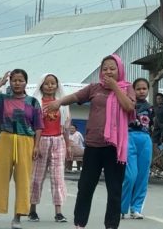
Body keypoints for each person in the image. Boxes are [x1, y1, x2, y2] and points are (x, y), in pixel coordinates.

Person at [44, 54, 135, 229]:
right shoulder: (94, 88)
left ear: (120, 70)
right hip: (93, 145)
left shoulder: (127, 88)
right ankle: (80, 224)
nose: (108, 71)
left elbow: (129, 107)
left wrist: (115, 86)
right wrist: (59, 102)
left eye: (112, 68)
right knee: (85, 187)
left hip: (115, 148)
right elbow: (76, 97)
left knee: (114, 190)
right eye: (105, 68)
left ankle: (111, 226)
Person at [0, 69, 44, 229]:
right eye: (14, 80)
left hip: (26, 141)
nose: (17, 83)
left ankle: (18, 217)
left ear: (26, 82)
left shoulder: (33, 102)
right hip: (6, 139)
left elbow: (38, 126)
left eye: (20, 80)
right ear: (10, 82)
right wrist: (1, 82)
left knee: (23, 180)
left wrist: (37, 145)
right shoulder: (2, 99)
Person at [28, 73, 71, 223]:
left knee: (57, 177)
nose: (50, 86)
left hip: (58, 141)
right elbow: (32, 125)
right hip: (41, 141)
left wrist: (69, 145)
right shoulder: (36, 103)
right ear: (41, 85)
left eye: (53, 83)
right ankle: (32, 210)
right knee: (36, 178)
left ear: (57, 85)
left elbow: (65, 126)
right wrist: (35, 145)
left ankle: (58, 212)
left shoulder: (62, 103)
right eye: (47, 83)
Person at [121, 78, 153, 220]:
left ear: (148, 90)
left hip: (145, 140)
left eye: (144, 88)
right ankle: (122, 208)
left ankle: (136, 208)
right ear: (133, 90)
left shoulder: (151, 108)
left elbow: (153, 126)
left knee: (142, 176)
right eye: (138, 89)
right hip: (129, 138)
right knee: (130, 175)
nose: (141, 91)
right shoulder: (128, 105)